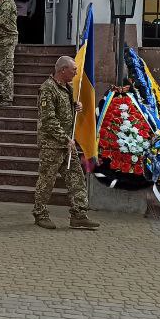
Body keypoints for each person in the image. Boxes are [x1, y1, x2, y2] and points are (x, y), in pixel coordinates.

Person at [32, 56, 99, 230]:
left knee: (76, 178)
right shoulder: (47, 88)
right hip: (52, 145)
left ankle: (79, 214)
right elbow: (48, 120)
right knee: (47, 180)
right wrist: (65, 138)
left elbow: (63, 111)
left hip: (66, 144)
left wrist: (75, 106)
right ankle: (40, 213)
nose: (76, 73)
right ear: (62, 70)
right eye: (73, 70)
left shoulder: (66, 88)